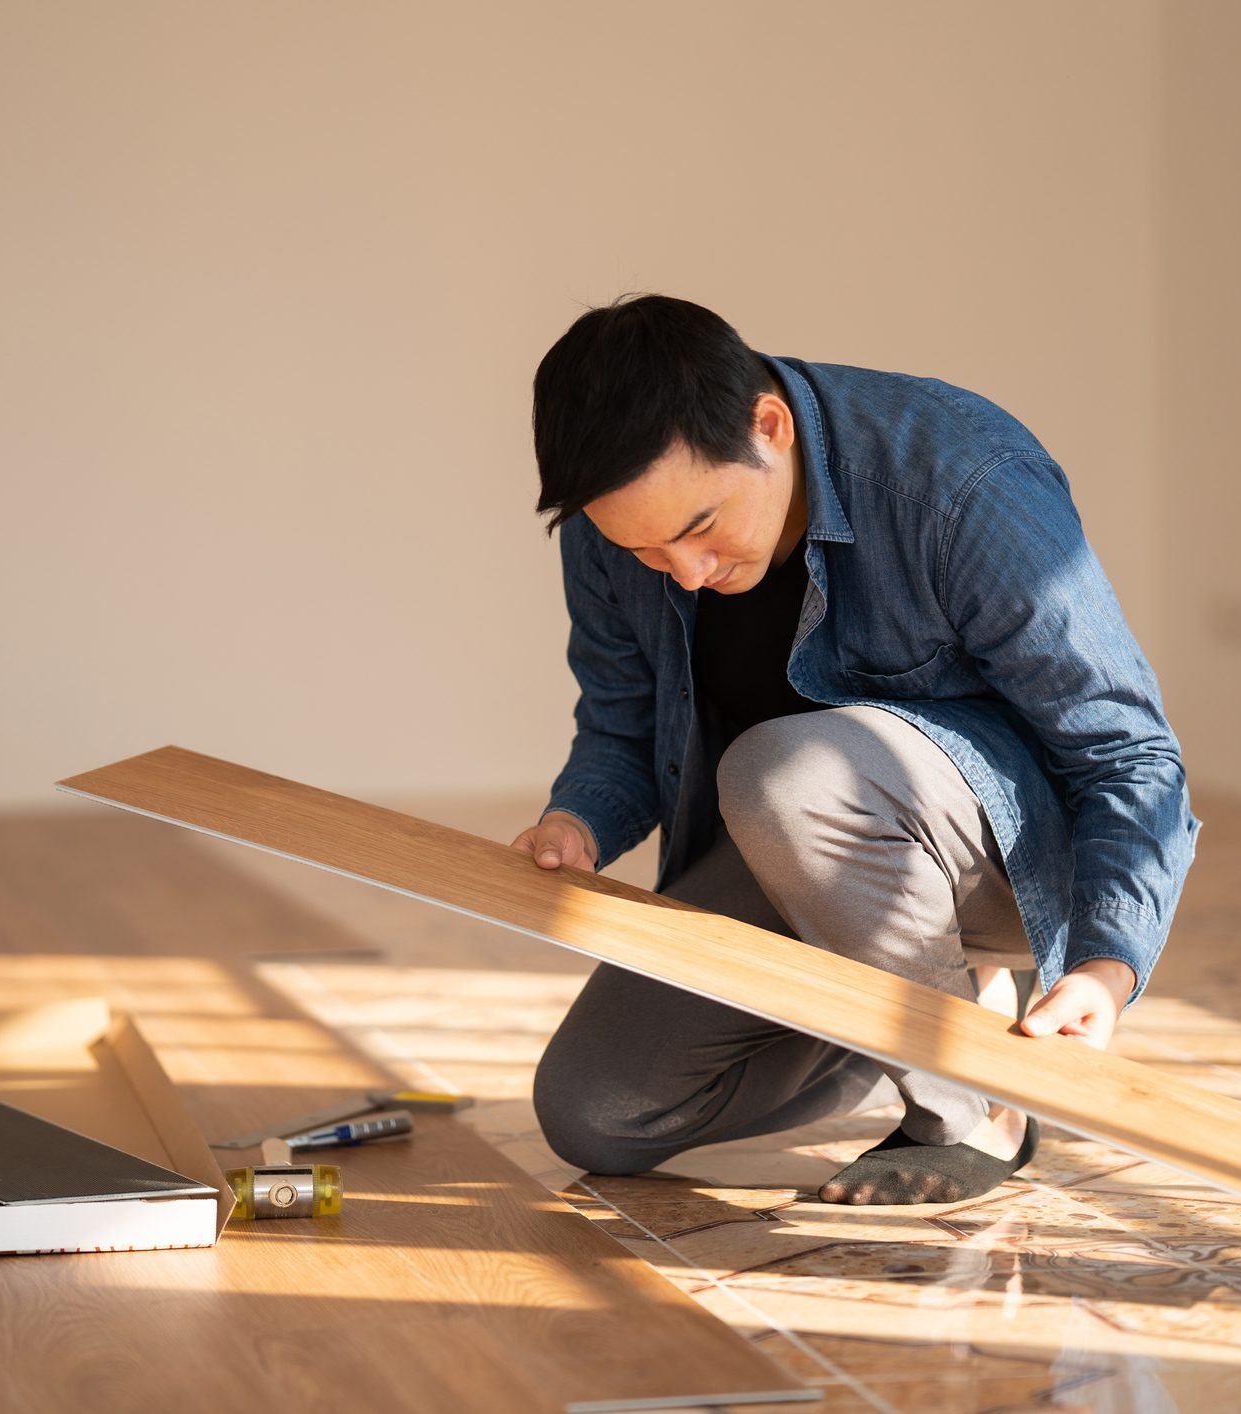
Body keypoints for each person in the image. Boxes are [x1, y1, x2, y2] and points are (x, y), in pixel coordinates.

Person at [512, 294, 1200, 1205]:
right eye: (643, 550)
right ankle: (913, 1012)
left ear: (770, 427)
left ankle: (972, 1113)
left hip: (998, 850)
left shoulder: (961, 481)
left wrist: (1107, 965)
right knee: (599, 1112)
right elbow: (623, 722)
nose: (684, 572)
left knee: (782, 775)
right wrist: (578, 819)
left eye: (700, 529)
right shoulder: (618, 531)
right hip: (806, 848)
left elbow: (1128, 753)